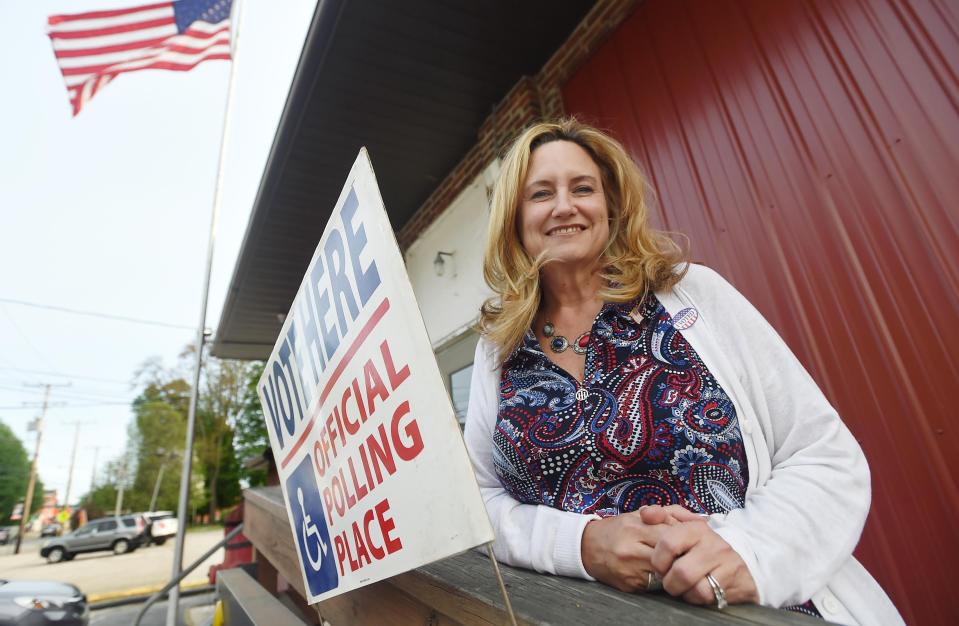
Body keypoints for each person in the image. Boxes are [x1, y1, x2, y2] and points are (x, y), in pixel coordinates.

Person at [462, 118, 903, 625]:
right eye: (541, 193)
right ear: (515, 218)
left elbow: (824, 454)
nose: (565, 206)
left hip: (754, 610)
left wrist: (747, 552)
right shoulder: (499, 348)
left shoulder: (693, 295)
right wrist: (580, 545)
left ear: (610, 205)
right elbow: (482, 505)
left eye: (582, 188)